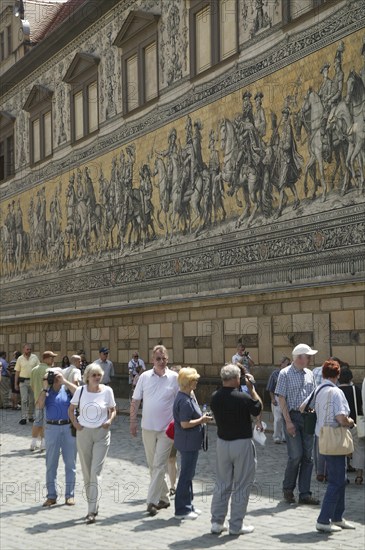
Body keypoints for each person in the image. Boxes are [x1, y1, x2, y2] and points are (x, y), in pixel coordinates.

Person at [303, 360, 356, 532]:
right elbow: (341, 418)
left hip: (321, 436)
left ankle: (338, 517)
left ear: (323, 374)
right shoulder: (336, 391)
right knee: (337, 481)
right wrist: (351, 422)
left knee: (338, 479)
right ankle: (324, 519)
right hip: (334, 437)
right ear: (338, 375)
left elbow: (303, 406)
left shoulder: (318, 389)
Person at [210, 364, 262, 536]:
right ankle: (236, 525)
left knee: (222, 483)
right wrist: (252, 389)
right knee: (242, 484)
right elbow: (258, 408)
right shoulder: (242, 397)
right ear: (235, 378)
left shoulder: (215, 397)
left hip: (222, 443)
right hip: (241, 443)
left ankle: (217, 522)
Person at [130, 345, 178, 516]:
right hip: (147, 428)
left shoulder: (174, 377)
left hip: (167, 430)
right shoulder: (144, 377)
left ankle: (151, 501)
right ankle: (164, 498)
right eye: (158, 358)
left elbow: (182, 400)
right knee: (152, 466)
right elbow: (135, 400)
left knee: (158, 465)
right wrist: (133, 421)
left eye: (164, 358)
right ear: (152, 360)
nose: (161, 361)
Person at [69, 363, 116, 524]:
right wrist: (75, 424)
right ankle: (93, 505)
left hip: (102, 433)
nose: (97, 378)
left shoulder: (107, 391)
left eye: (99, 375)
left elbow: (113, 409)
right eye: (94, 375)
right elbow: (71, 409)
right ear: (87, 377)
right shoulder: (81, 391)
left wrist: (109, 420)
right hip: (84, 433)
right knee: (87, 471)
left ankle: (91, 510)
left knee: (96, 471)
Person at [275, 343, 319, 505]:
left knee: (308, 457)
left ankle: (305, 493)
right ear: (300, 357)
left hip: (308, 418)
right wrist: (288, 422)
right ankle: (288, 489)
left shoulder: (310, 374)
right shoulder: (284, 374)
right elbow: (281, 398)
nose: (310, 359)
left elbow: (313, 396)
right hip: (292, 417)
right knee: (296, 456)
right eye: (308, 356)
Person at [173, 367, 212, 520]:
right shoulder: (184, 401)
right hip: (187, 441)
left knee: (189, 474)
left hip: (190, 441)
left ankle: (188, 505)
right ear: (188, 382)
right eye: (194, 380)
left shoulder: (186, 397)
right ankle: (182, 509)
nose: (196, 382)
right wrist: (202, 420)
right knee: (186, 475)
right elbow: (185, 423)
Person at [36, 367, 78, 507]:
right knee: (51, 464)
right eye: (51, 376)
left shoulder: (67, 389)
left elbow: (79, 394)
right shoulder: (47, 392)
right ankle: (51, 496)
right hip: (51, 428)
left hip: (68, 427)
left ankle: (70, 495)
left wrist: (64, 381)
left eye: (56, 375)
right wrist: (45, 388)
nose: (54, 378)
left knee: (70, 464)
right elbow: (39, 406)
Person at [338, 367, 364, 485]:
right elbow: (361, 406)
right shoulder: (356, 389)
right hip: (355, 424)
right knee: (359, 449)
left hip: (341, 424)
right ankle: (359, 476)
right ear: (351, 378)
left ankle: (344, 473)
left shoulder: (336, 391)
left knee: (342, 450)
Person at [30, 351, 58, 452]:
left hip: (37, 399)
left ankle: (33, 443)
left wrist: (37, 395)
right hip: (48, 400)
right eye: (51, 358)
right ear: (46, 359)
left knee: (37, 421)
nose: (53, 360)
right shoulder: (50, 370)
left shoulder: (34, 369)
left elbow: (32, 385)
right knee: (46, 422)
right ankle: (44, 443)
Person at [266, 356, 290, 443]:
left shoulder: (290, 374)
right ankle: (276, 437)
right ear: (282, 364)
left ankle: (285, 436)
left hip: (287, 398)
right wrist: (272, 399)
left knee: (286, 418)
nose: (289, 365)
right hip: (277, 397)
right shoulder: (275, 374)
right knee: (278, 418)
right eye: (287, 364)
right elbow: (270, 388)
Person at [14, 344, 39, 425]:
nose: (29, 351)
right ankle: (23, 417)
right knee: (24, 400)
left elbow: (38, 369)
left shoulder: (35, 357)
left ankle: (30, 416)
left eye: (30, 349)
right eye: (27, 349)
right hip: (23, 382)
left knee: (32, 400)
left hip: (32, 382)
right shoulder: (20, 359)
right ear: (24, 349)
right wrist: (16, 384)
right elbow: (17, 372)